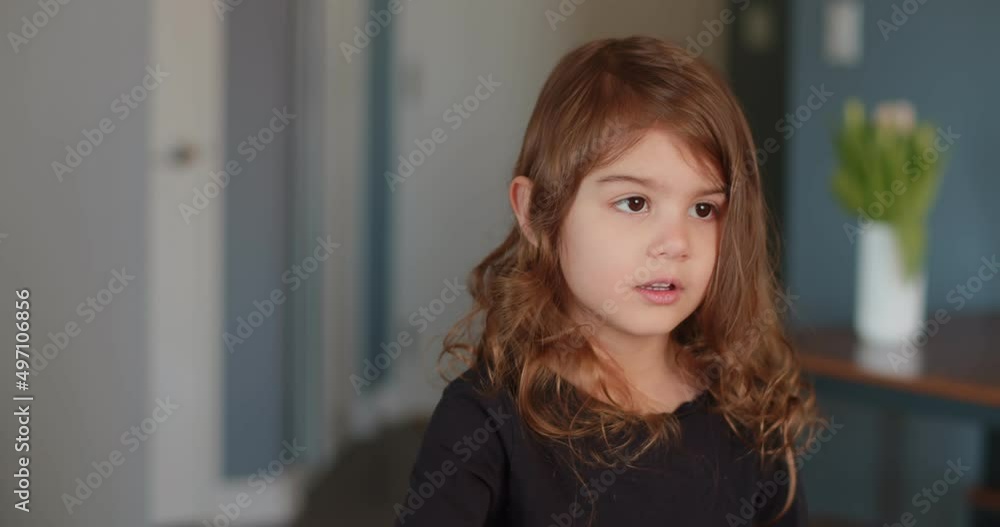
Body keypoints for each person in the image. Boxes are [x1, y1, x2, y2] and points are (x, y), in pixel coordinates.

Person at [393, 35, 821, 527]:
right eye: (635, 203)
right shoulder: (484, 424)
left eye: (704, 209)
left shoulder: (749, 412)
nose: (675, 243)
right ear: (537, 213)